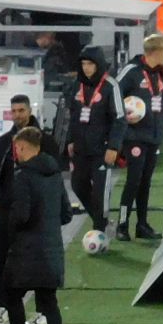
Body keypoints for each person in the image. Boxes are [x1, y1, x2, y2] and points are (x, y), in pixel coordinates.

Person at [0, 127, 70, 324]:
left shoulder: (23, 176)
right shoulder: (55, 173)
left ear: (21, 147)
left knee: (12, 296)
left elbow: (21, 216)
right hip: (52, 251)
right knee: (50, 302)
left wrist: (8, 226)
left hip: (25, 252)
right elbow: (67, 214)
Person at [114, 33, 163, 241]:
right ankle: (122, 225)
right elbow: (114, 95)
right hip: (135, 137)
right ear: (155, 52)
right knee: (133, 180)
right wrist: (124, 119)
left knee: (145, 181)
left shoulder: (159, 74)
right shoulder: (132, 72)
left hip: (153, 137)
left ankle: (142, 225)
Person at [62, 47, 121, 235]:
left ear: (99, 65)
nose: (86, 68)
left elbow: (119, 118)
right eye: (83, 64)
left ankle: (100, 231)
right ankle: (101, 222)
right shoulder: (77, 85)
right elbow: (73, 115)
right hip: (80, 149)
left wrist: (113, 146)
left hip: (102, 150)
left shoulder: (110, 86)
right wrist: (70, 140)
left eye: (90, 64)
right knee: (78, 186)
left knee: (100, 193)